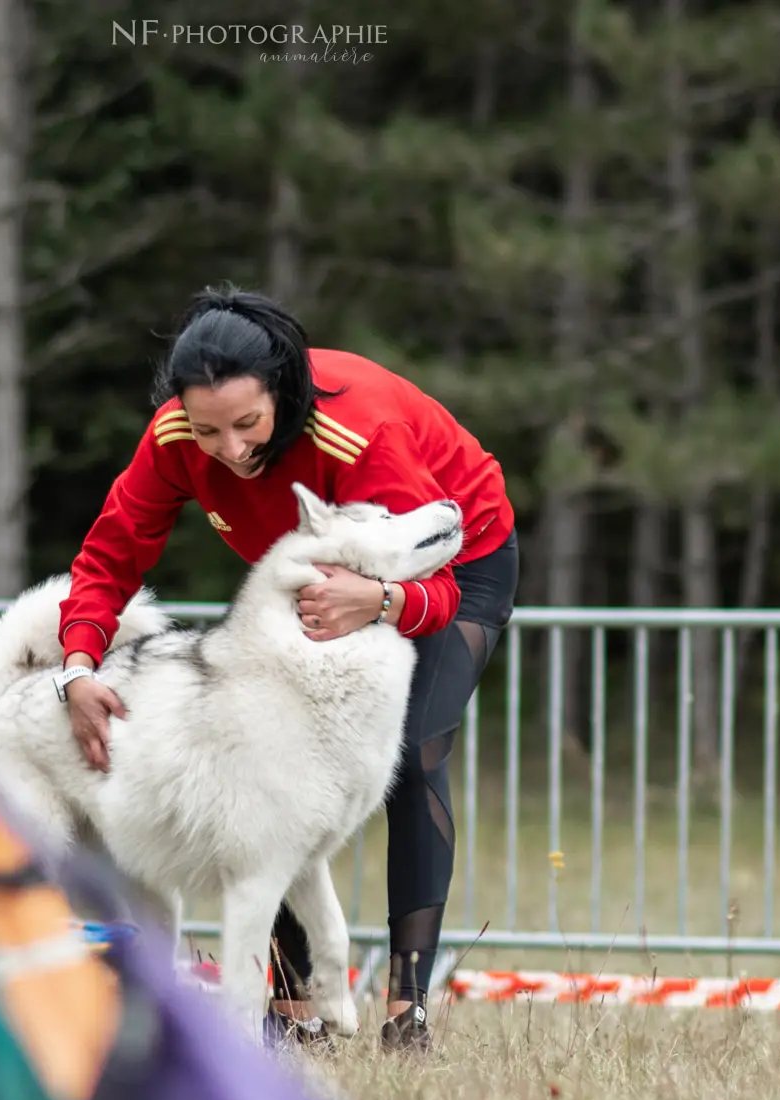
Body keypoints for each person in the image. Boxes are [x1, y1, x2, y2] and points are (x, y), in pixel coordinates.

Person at [52, 285, 519, 1052]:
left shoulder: (357, 435)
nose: (229, 450)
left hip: (452, 558)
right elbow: (109, 556)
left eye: (247, 424)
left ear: (283, 393)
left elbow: (435, 588)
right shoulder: (175, 436)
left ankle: (408, 1011)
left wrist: (377, 599)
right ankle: (297, 1011)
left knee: (415, 752)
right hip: (328, 574)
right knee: (273, 767)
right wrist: (76, 669)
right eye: (208, 431)